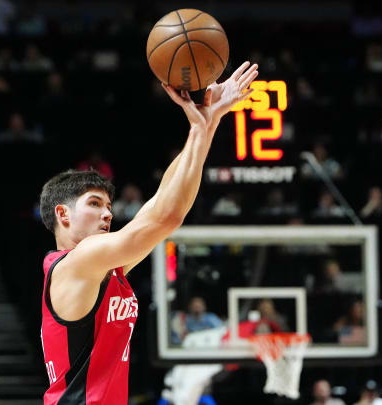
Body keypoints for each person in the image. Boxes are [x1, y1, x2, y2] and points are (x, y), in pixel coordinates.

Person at [38, 61, 258, 405]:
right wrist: (202, 128)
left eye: (109, 205)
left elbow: (161, 204)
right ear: (62, 214)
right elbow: (166, 217)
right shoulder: (79, 261)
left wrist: (208, 123)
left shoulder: (103, 269)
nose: (108, 213)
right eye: (95, 204)